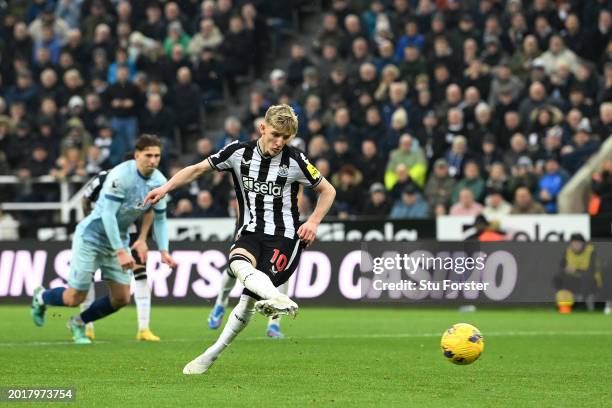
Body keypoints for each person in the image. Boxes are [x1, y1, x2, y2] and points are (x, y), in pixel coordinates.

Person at [144, 105, 336, 374]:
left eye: (286, 138)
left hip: (284, 239)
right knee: (236, 264)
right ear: (262, 129)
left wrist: (313, 221)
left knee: (247, 301)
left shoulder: (295, 161)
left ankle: (213, 352)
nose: (279, 142)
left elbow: (327, 190)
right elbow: (198, 169)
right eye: (275, 135)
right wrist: (164, 188)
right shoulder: (238, 153)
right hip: (250, 231)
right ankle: (275, 298)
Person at [31, 135, 177, 344]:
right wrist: (121, 251)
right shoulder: (120, 176)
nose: (153, 160)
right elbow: (108, 215)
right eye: (148, 155)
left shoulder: (159, 181)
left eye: (157, 156)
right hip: (91, 238)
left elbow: (160, 217)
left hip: (118, 239)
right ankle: (41, 297)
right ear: (137, 155)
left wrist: (164, 250)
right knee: (75, 297)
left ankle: (78, 323)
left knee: (121, 298)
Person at [79, 166, 161, 341]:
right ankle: (86, 327)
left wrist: (142, 238)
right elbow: (85, 199)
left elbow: (150, 210)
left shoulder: (146, 182)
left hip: (129, 233)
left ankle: (144, 328)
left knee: (141, 273)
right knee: (88, 276)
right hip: (101, 233)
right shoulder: (103, 179)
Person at [553, 234, 603, 313]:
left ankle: (583, 303)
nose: (576, 246)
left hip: (591, 281)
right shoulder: (567, 251)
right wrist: (565, 270)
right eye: (574, 243)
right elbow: (562, 266)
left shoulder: (591, 252)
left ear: (583, 244)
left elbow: (592, 271)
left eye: (578, 243)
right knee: (558, 278)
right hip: (574, 280)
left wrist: (576, 270)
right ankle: (564, 303)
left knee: (586, 279)